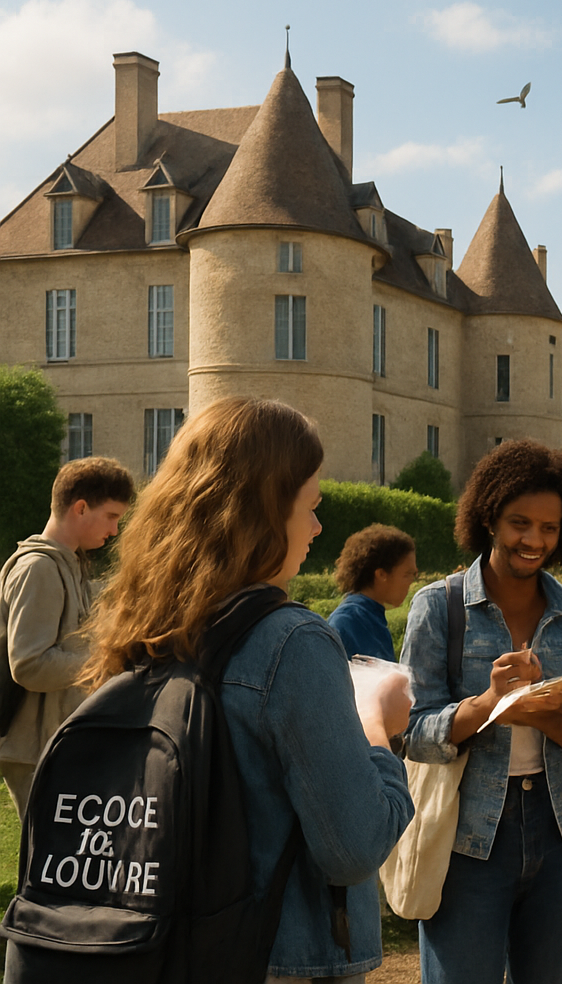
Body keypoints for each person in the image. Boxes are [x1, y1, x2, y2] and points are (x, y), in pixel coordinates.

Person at [77, 397, 414, 983]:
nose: (315, 527)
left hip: (161, 942)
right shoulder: (292, 641)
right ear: (261, 513)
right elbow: (354, 847)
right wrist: (376, 726)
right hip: (278, 954)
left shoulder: (146, 625)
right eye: (310, 507)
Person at [400, 439, 562, 984]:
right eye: (521, 523)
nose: (534, 540)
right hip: (467, 838)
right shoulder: (438, 606)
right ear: (489, 517)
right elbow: (412, 734)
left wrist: (544, 717)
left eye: (550, 528)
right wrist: (489, 706)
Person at [0, 456, 134, 816]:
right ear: (80, 507)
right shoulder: (39, 568)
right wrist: (106, 666)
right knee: (48, 863)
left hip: (55, 744)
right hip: (35, 752)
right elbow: (29, 664)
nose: (115, 530)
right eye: (112, 516)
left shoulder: (68, 564)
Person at [329, 524, 418, 660]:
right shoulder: (346, 623)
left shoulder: (372, 617)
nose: (412, 581)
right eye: (407, 574)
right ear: (381, 574)